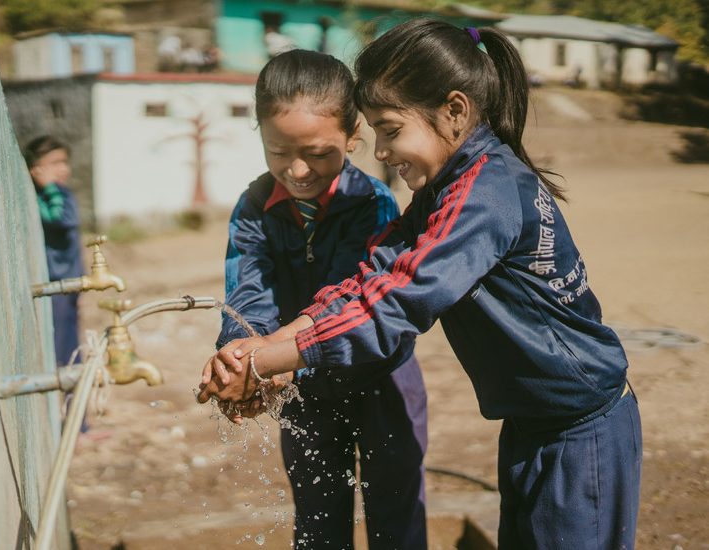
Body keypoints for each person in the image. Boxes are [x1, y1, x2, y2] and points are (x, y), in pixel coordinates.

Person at [198, 20, 642, 550]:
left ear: (455, 112)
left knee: (398, 506)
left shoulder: (484, 193)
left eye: (389, 129)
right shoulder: (441, 194)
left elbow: (398, 300)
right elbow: (368, 279)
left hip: (581, 428)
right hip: (532, 424)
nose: (381, 152)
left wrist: (266, 361)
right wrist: (256, 348)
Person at [204, 49, 428, 549]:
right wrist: (241, 356)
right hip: (301, 389)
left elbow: (348, 301)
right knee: (317, 518)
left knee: (396, 511)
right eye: (278, 152)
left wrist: (273, 362)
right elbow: (247, 292)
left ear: (353, 137)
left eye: (319, 152)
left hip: (381, 378)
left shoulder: (373, 204)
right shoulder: (255, 208)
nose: (298, 169)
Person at [24, 135, 84, 368]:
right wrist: (48, 187)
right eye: (54, 163)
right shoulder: (43, 197)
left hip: (71, 279)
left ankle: (75, 399)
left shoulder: (61, 193)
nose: (63, 168)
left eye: (64, 162)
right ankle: (64, 395)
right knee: (57, 346)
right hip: (53, 281)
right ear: (35, 169)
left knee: (71, 340)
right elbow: (62, 219)